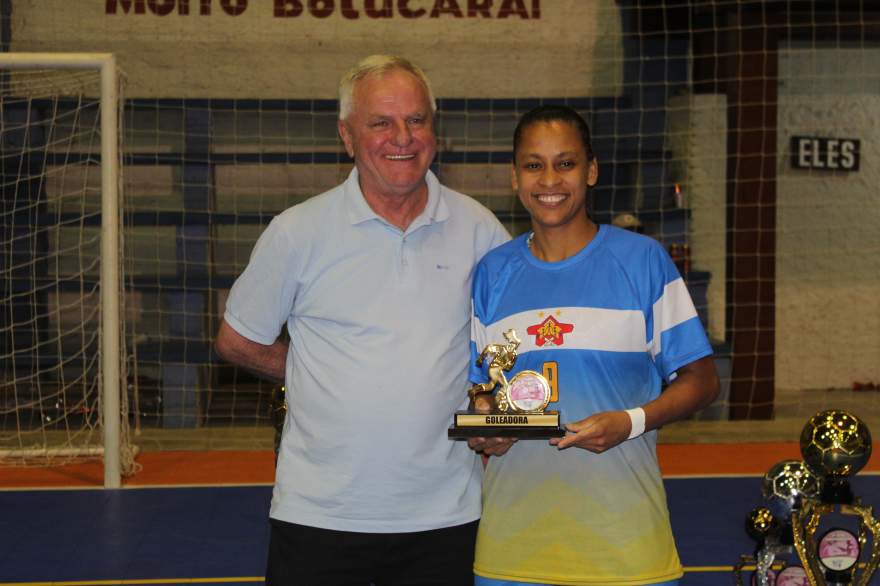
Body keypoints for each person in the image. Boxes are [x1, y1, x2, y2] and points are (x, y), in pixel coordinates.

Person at [215, 55, 509, 585]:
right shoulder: (296, 232)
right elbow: (238, 341)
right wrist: (315, 371)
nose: (403, 137)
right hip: (319, 514)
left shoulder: (480, 229)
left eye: (416, 120)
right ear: (348, 137)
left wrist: (497, 412)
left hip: (447, 515)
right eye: (381, 123)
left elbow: (504, 348)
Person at [467, 105, 720, 586]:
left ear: (592, 170)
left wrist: (631, 422)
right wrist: (488, 426)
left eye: (566, 163)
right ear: (514, 176)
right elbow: (481, 391)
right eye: (533, 164)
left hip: (625, 547)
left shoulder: (642, 260)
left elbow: (703, 382)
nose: (550, 180)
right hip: (513, 549)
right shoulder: (492, 274)